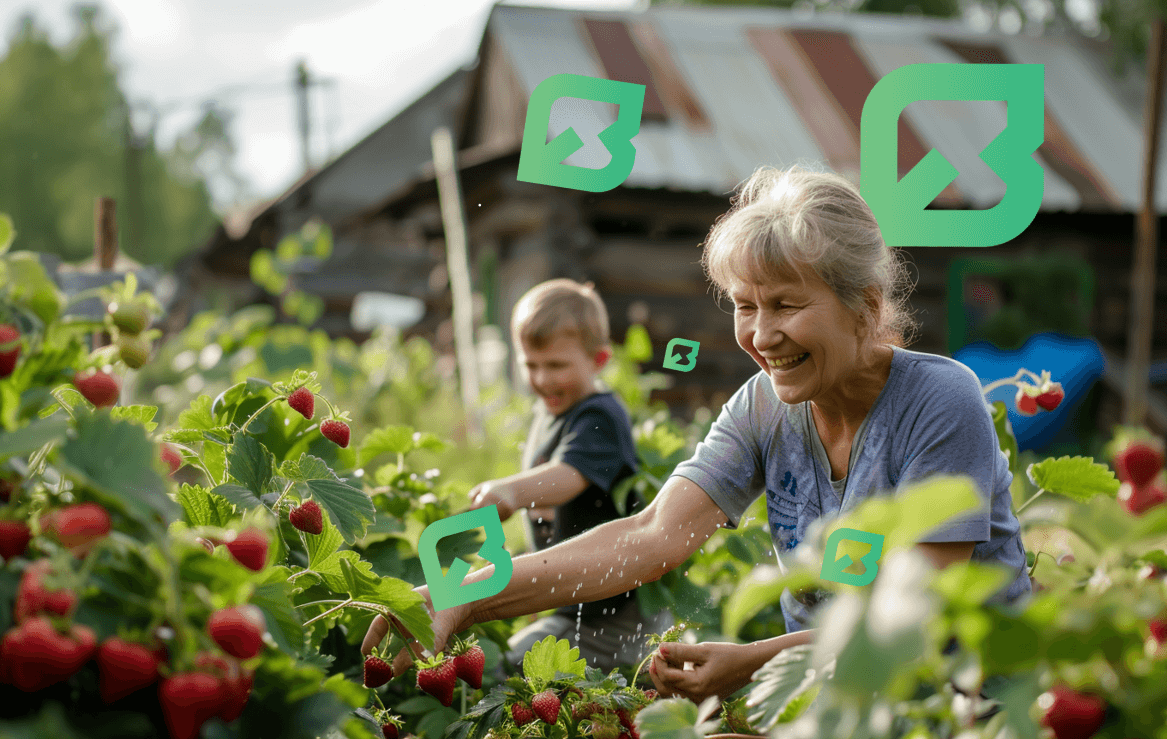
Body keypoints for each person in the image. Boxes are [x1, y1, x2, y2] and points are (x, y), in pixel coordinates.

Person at [362, 166, 1032, 702]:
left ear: (866, 307)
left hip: (969, 709)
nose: (762, 336)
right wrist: (464, 593)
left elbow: (914, 616)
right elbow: (651, 536)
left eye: (786, 305)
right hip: (832, 701)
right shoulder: (764, 408)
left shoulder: (941, 402)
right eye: (746, 306)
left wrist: (754, 662)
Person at [462, 278, 662, 672]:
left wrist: (511, 491)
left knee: (504, 668)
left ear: (599, 361)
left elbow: (570, 475)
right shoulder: (551, 414)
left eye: (556, 365)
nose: (542, 379)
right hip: (575, 608)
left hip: (614, 619)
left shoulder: (600, 416)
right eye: (530, 365)